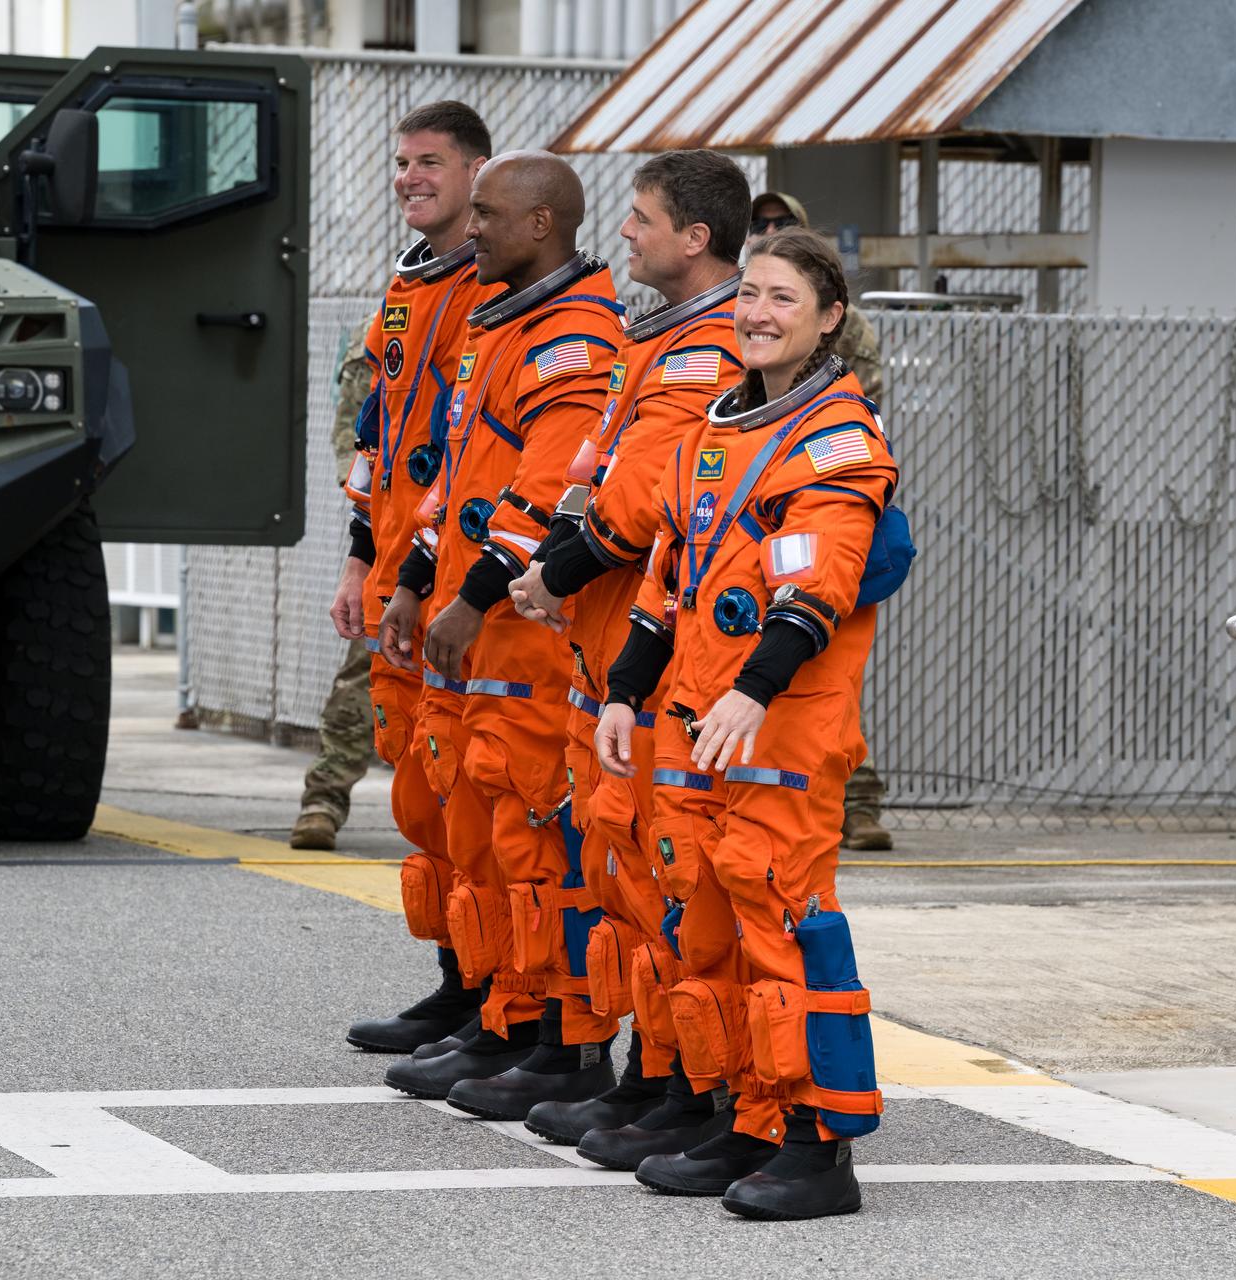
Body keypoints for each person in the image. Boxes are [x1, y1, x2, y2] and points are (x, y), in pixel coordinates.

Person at [593, 227, 898, 1219]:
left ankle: (821, 1145)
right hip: (698, 724)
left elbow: (813, 592)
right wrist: (625, 697)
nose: (759, 312)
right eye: (752, 293)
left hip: (779, 727)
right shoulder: (710, 434)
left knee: (784, 925)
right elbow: (662, 589)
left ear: (829, 319)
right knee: (708, 925)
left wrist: (753, 691)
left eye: (785, 299)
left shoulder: (835, 441)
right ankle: (751, 1113)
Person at [504, 149, 750, 1164]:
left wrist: (550, 572)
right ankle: (658, 1072)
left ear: (695, 238)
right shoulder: (663, 337)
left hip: (662, 654)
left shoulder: (709, 349)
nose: (627, 233)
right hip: (614, 646)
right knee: (628, 872)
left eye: (643, 218)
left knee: (673, 878)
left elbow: (642, 501)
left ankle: (698, 1087)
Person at [376, 151, 626, 1109]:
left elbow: (540, 502)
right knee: (475, 834)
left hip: (524, 641)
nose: (469, 228)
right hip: (472, 639)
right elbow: (455, 483)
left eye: (487, 213)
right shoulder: (499, 324)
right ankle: (498, 1015)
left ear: (541, 226)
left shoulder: (573, 337)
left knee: (535, 843)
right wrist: (409, 578)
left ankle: (555, 1039)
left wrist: (472, 595)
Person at [333, 101, 497, 1055]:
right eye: (402, 163)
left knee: (481, 804)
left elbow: (466, 454)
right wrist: (362, 560)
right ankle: (455, 983)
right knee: (424, 798)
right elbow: (380, 437)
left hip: (458, 583)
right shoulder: (406, 288)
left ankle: (496, 999)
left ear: (478, 173)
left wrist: (425, 578)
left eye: (430, 162)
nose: (410, 178)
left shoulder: (491, 290)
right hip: (401, 573)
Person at [748, 191, 893, 851]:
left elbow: (861, 402)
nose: (770, 231)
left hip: (818, 494)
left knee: (821, 658)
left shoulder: (844, 337)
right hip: (753, 510)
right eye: (761, 226)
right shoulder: (742, 315)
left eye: (782, 225)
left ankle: (853, 802)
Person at [291, 341, 379, 852]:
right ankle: (324, 799)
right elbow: (357, 443)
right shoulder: (397, 316)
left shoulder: (510, 304)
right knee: (367, 663)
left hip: (491, 529)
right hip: (404, 526)